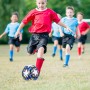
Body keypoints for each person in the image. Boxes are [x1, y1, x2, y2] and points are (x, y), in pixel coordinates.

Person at [15, 0, 71, 75]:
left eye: (43, 3)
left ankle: (36, 72)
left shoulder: (50, 12)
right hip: (34, 35)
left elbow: (58, 21)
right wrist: (18, 30)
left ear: (46, 3)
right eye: (39, 3)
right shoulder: (33, 12)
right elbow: (24, 21)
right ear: (36, 3)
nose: (41, 5)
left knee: (41, 50)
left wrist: (66, 26)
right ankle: (33, 49)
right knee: (29, 51)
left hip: (44, 35)